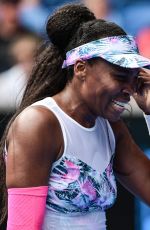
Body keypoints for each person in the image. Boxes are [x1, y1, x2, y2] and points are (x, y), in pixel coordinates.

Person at [0, 3, 150, 230]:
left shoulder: (111, 127)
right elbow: (23, 226)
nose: (130, 88)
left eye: (134, 78)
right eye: (120, 76)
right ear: (80, 68)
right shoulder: (38, 124)